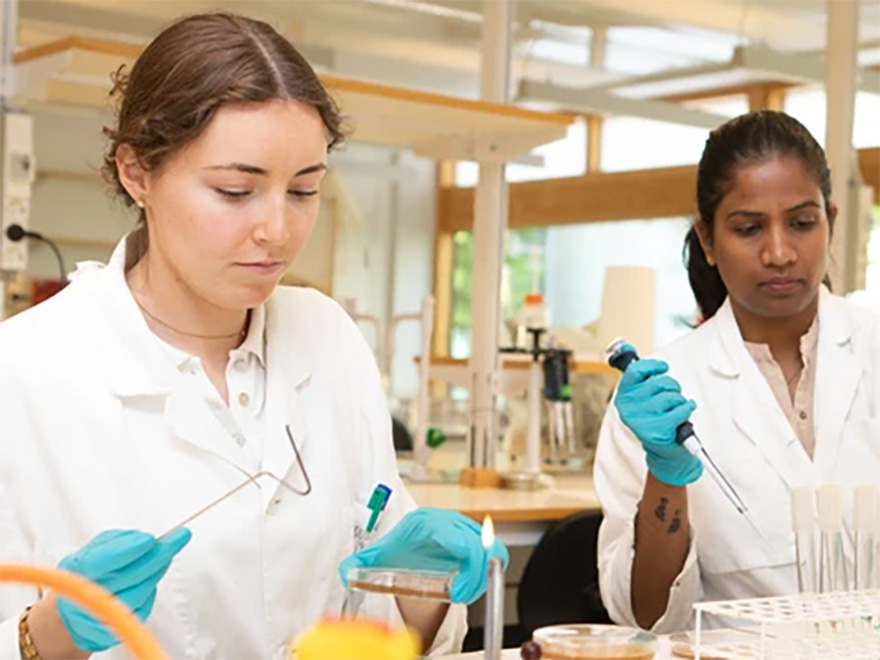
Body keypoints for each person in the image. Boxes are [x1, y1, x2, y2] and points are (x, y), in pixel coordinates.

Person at [0, 13, 507, 660]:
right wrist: (50, 632)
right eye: (235, 190)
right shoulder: (23, 371)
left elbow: (383, 632)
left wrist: (421, 585)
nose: (278, 229)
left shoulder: (328, 339)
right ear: (137, 172)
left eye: (304, 190)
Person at [594, 110, 880, 633]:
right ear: (707, 239)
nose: (779, 252)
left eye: (801, 222)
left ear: (831, 223)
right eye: (749, 228)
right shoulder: (665, 389)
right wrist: (665, 473)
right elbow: (646, 615)